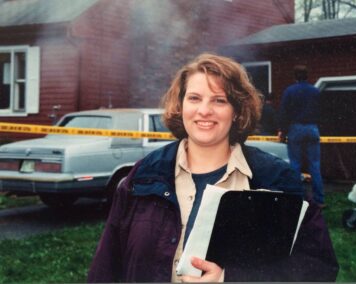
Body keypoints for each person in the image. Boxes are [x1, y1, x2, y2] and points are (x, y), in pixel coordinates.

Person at [87, 54, 338, 282]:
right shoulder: (143, 175)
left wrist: (230, 278)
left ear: (237, 112)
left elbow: (319, 268)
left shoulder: (277, 180)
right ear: (180, 105)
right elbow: (105, 269)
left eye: (219, 100)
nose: (204, 111)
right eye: (194, 98)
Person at [278, 65, 325, 207]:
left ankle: (296, 198)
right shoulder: (315, 91)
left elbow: (284, 112)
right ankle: (319, 200)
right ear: (307, 76)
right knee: (315, 165)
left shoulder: (289, 91)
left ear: (295, 77)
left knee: (295, 165)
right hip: (312, 128)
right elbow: (322, 110)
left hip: (296, 128)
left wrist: (283, 131)